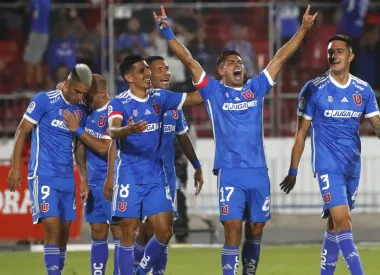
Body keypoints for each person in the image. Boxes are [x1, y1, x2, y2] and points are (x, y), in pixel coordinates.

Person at [153, 5, 317, 274]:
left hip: (258, 172)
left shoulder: (256, 88)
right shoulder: (214, 92)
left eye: (239, 62)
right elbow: (189, 60)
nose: (238, 65)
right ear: (221, 71)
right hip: (230, 172)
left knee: (256, 229)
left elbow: (280, 57)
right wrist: (167, 30)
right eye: (231, 63)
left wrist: (304, 29)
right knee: (232, 228)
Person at [279, 34, 380, 275]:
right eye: (330, 51)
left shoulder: (362, 89)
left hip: (351, 167)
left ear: (351, 56)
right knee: (344, 221)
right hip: (327, 165)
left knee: (335, 225)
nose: (334, 55)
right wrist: (293, 170)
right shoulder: (313, 89)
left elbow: (376, 123)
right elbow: (301, 133)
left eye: (340, 51)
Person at [102, 55, 203, 275]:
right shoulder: (119, 102)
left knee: (165, 231)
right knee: (128, 231)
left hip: (158, 176)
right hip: (130, 175)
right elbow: (113, 130)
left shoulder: (161, 98)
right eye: (142, 71)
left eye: (148, 70)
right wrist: (128, 130)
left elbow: (195, 99)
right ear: (129, 77)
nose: (147, 74)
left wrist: (211, 86)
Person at [7, 64, 92, 275]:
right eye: (77, 91)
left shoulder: (81, 109)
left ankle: (57, 270)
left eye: (84, 93)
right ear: (68, 83)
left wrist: (83, 177)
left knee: (64, 232)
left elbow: (79, 146)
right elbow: (22, 130)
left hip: (66, 176)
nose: (80, 96)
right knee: (52, 226)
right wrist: (15, 167)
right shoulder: (44, 100)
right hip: (42, 174)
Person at [61, 74, 122, 275]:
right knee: (97, 232)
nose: (85, 99)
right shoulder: (87, 112)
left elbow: (106, 147)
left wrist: (79, 129)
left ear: (103, 92)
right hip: (94, 182)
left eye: (89, 95)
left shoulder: (116, 111)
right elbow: (80, 146)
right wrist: (84, 179)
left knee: (120, 232)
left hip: (116, 182)